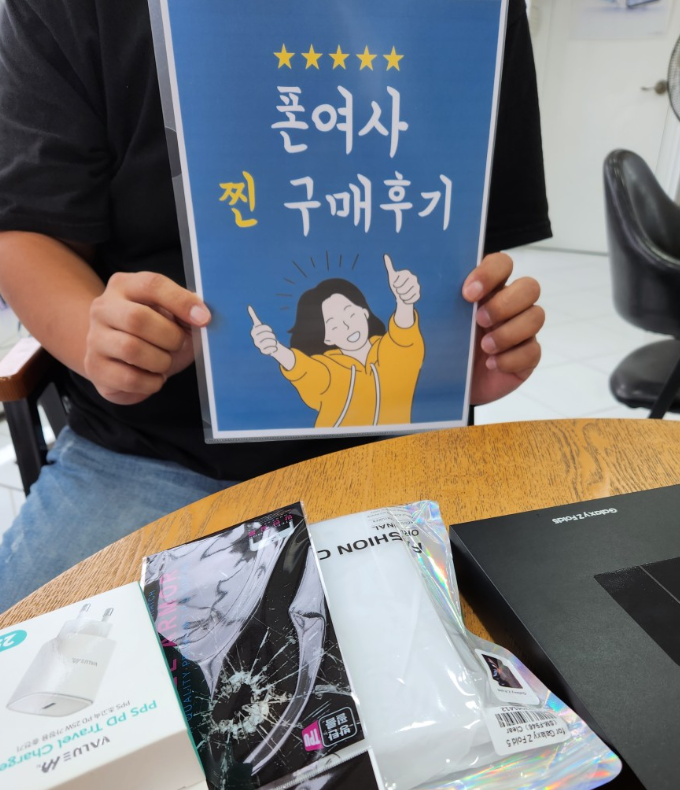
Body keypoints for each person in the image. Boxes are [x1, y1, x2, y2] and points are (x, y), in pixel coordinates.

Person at [0, 0, 551, 613]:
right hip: (150, 446)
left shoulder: (477, 13)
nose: (345, 324)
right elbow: (27, 225)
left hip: (402, 447)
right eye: (335, 320)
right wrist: (102, 341)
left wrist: (467, 343)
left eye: (351, 314)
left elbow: (463, 220)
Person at [250, 257, 423, 428]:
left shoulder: (390, 353)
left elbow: (404, 340)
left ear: (365, 312)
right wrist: (276, 350)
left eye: (351, 314)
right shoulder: (329, 369)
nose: (347, 326)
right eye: (334, 325)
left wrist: (405, 302)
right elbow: (305, 370)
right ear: (327, 338)